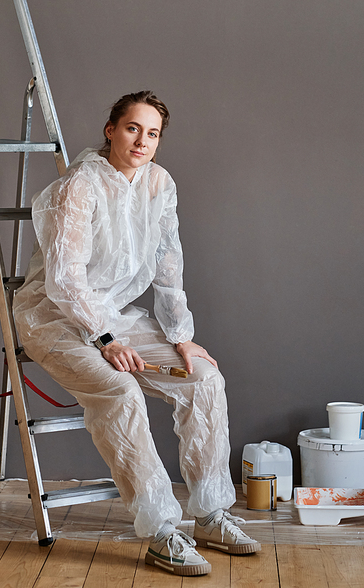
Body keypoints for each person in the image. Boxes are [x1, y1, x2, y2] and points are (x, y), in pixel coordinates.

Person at [13, 91, 260, 576]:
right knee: (121, 390)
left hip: (115, 315)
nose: (142, 141)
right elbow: (64, 279)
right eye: (132, 129)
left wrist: (181, 334)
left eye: (152, 134)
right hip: (55, 319)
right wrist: (106, 341)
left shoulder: (158, 183)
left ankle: (210, 514)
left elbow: (169, 267)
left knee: (205, 379)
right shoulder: (80, 186)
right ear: (111, 130)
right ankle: (162, 530)